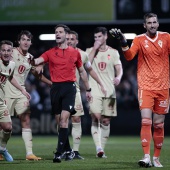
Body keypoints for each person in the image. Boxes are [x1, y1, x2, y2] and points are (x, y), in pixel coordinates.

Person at [109, 12, 170, 168]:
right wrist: (123, 42)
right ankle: (146, 157)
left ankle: (156, 158)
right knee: (145, 121)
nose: (152, 25)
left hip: (163, 87)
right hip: (146, 86)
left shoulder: (166, 37)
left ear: (158, 23)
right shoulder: (139, 39)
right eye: (149, 22)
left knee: (158, 125)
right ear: (144, 25)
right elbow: (129, 56)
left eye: (154, 22)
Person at [33, 24, 92, 163]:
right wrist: (31, 60)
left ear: (66, 34)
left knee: (65, 119)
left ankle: (58, 153)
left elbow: (82, 71)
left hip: (69, 87)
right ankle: (68, 150)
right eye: (56, 32)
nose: (57, 34)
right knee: (60, 122)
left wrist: (88, 89)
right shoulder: (50, 52)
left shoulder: (75, 53)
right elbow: (37, 61)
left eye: (60, 32)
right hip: (55, 88)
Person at [2, 31, 52, 161]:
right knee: (5, 126)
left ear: (31, 42)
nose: (25, 42)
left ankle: (29, 153)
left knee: (26, 120)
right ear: (18, 41)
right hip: (5, 91)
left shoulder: (30, 58)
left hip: (21, 93)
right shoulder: (9, 52)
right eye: (23, 39)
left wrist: (50, 83)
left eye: (28, 39)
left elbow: (37, 74)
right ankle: (2, 149)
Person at [57, 30, 106, 160]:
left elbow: (89, 70)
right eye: (67, 39)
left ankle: (75, 151)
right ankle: (63, 150)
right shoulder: (58, 52)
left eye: (72, 39)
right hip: (60, 91)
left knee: (76, 119)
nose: (69, 41)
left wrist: (99, 84)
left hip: (75, 91)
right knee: (62, 121)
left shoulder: (82, 55)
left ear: (76, 41)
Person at [86, 27, 123, 158]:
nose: (97, 39)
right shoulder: (89, 51)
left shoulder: (113, 52)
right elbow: (87, 65)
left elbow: (119, 68)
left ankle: (101, 151)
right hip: (94, 89)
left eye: (99, 37)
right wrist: (95, 48)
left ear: (106, 37)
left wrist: (118, 77)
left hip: (110, 90)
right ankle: (98, 147)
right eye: (95, 37)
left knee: (106, 121)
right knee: (96, 116)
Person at [0, 40, 30, 162]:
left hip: (0, 101)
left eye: (8, 50)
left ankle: (2, 148)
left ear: (11, 52)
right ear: (0, 52)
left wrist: (22, 90)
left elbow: (10, 77)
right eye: (3, 50)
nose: (6, 52)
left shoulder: (12, 64)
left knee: (8, 127)